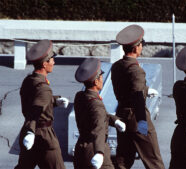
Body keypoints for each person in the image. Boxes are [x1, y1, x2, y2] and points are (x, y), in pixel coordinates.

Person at [111, 24, 165, 169]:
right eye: (141, 44)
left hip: (122, 113)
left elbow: (127, 87)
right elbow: (137, 97)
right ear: (136, 47)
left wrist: (146, 89)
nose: (142, 47)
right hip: (137, 116)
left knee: (123, 160)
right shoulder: (137, 71)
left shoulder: (117, 66)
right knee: (153, 160)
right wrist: (142, 122)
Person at [15, 40, 69, 169]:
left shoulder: (30, 80)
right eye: (52, 60)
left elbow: (36, 100)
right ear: (45, 64)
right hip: (44, 135)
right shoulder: (44, 88)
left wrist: (54, 100)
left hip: (31, 133)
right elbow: (35, 111)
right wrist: (30, 132)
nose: (54, 62)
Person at [73, 58, 126, 169]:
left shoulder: (80, 97)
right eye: (101, 76)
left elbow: (94, 116)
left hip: (81, 148)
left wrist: (114, 120)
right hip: (94, 150)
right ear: (96, 81)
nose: (102, 79)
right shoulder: (96, 104)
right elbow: (99, 128)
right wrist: (100, 152)